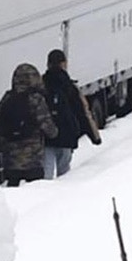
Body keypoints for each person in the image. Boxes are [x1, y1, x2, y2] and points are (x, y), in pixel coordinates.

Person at [41, 49, 104, 179]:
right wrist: (95, 137)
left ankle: (45, 197)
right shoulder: (69, 87)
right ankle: (63, 197)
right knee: (64, 176)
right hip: (66, 137)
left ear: (48, 64)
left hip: (46, 138)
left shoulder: (40, 86)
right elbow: (83, 113)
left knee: (46, 177)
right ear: (64, 64)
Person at [0, 62, 49, 186]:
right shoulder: (36, 99)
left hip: (10, 159)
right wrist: (54, 134)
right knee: (36, 190)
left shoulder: (7, 98)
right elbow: (46, 124)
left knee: (13, 189)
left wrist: (0, 146)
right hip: (33, 159)